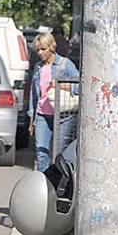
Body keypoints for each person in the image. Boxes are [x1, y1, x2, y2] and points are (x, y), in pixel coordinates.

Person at [28, 33, 79, 172]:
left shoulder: (65, 64)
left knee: (59, 154)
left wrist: (65, 85)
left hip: (63, 116)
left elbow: (81, 85)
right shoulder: (38, 67)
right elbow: (34, 93)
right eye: (38, 50)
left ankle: (56, 181)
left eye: (43, 49)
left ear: (51, 47)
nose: (40, 53)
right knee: (41, 153)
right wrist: (32, 118)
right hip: (42, 115)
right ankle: (43, 181)